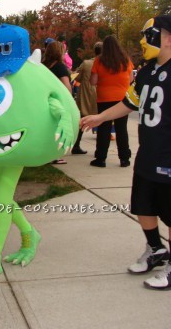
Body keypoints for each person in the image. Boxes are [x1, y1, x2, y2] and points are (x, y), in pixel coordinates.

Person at [80, 15, 171, 290]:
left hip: (169, 156)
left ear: (167, 38)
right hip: (148, 153)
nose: (143, 41)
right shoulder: (145, 72)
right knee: (143, 205)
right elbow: (128, 104)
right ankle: (156, 250)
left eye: (149, 34)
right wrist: (99, 117)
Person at [90, 35, 134, 167]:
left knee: (103, 128)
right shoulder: (126, 60)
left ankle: (101, 158)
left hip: (104, 98)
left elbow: (93, 81)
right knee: (122, 129)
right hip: (122, 99)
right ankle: (124, 158)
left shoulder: (99, 60)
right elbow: (131, 78)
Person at [43, 39, 71, 164]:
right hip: (57, 102)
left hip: (44, 100)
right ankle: (55, 154)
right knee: (57, 127)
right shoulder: (60, 67)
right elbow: (66, 86)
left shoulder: (42, 66)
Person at [71, 42, 102, 154]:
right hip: (101, 95)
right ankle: (101, 150)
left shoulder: (86, 63)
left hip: (86, 95)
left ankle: (76, 144)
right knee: (102, 121)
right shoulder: (107, 64)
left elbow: (76, 77)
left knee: (82, 120)